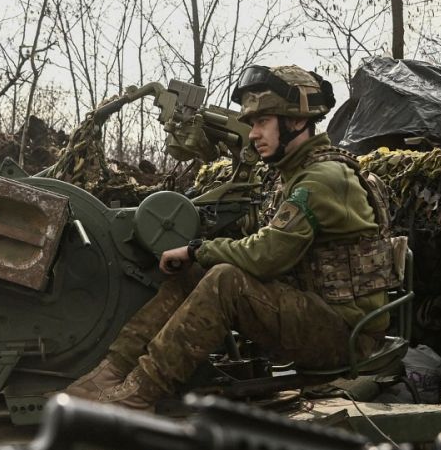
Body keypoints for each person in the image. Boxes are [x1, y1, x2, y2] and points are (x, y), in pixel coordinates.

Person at [64, 64, 401, 410]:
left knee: (224, 280)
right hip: (321, 318)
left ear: (297, 122)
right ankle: (110, 371)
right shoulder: (298, 173)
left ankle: (139, 392)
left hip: (346, 335)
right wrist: (198, 256)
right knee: (193, 273)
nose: (253, 133)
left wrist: (200, 249)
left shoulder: (321, 178)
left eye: (262, 122)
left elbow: (267, 256)